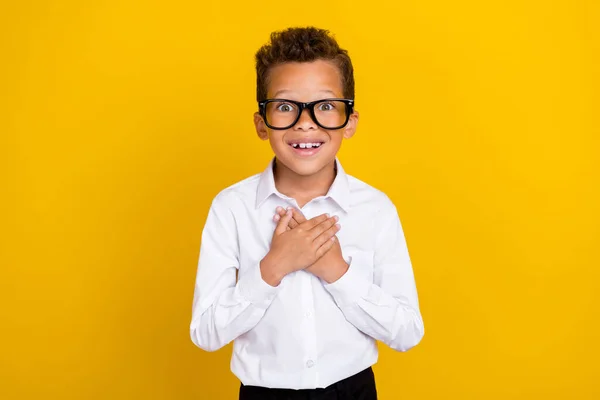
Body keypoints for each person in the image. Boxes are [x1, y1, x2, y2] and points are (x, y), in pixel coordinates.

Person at [190, 26, 424, 400]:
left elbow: (407, 331)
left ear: (350, 121)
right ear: (260, 124)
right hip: (265, 393)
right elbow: (206, 332)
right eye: (285, 106)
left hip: (353, 392)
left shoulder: (375, 209)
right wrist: (274, 267)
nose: (305, 122)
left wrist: (335, 270)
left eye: (326, 106)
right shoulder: (231, 208)